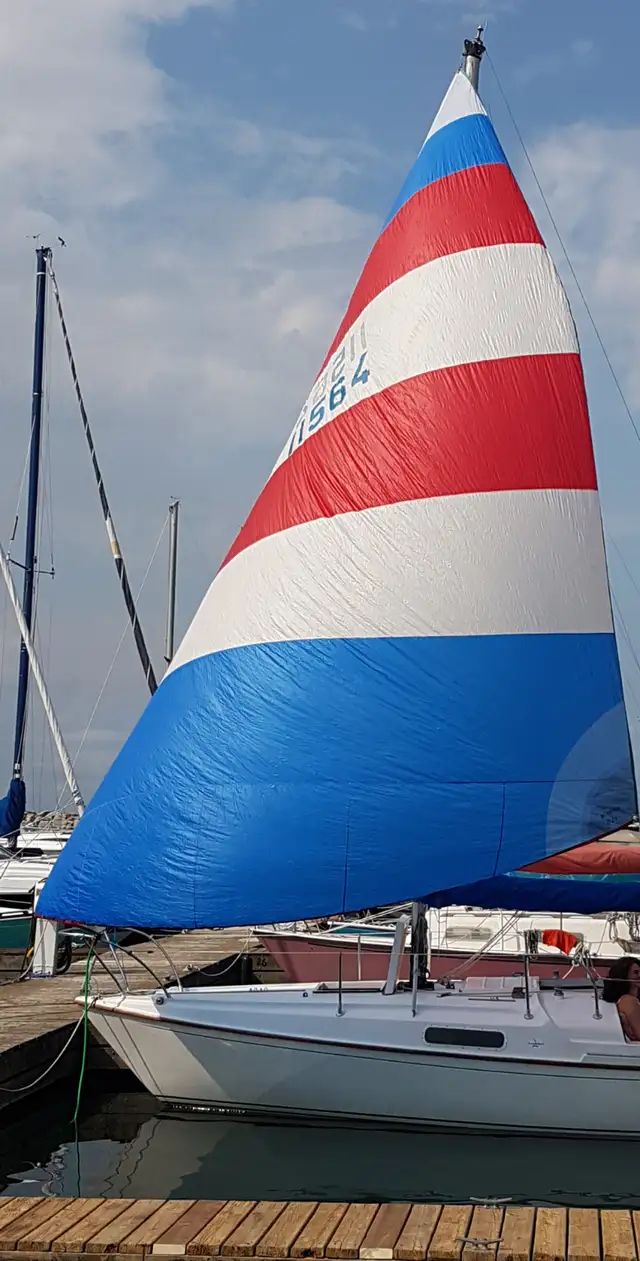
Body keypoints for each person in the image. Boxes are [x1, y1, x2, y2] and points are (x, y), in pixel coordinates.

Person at [602, 957, 640, 1041]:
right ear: (624, 976)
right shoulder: (629, 1001)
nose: (639, 975)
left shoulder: (626, 1000)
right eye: (636, 972)